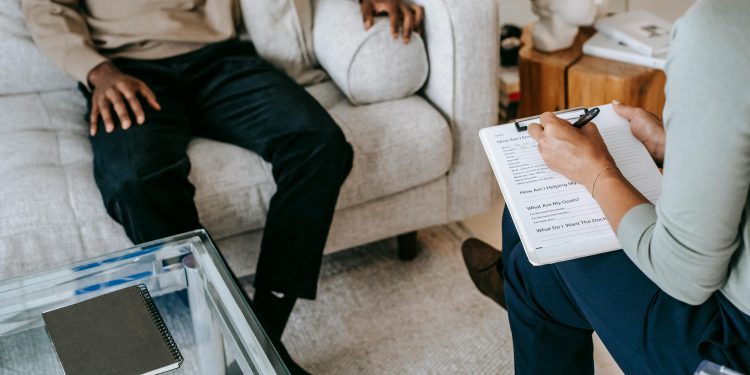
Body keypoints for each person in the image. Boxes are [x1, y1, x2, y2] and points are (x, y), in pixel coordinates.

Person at [22, 0, 423, 372]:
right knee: (134, 184)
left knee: (319, 145)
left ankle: (257, 336)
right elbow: (46, 7)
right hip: (123, 69)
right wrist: (98, 71)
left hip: (221, 59)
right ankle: (252, 346)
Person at [462, 0, 750, 373]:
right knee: (529, 232)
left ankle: (528, 292)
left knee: (538, 255)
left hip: (732, 344)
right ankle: (534, 293)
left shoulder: (723, 29)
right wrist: (680, 149)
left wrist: (595, 170)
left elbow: (684, 275)